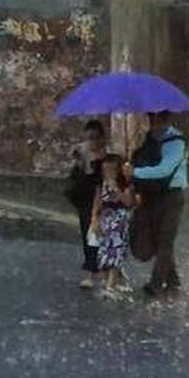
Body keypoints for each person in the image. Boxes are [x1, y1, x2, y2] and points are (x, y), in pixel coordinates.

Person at [128, 111, 188, 298]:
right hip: (151, 195)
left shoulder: (176, 141)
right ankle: (173, 280)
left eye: (158, 120)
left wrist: (136, 172)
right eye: (151, 119)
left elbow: (165, 170)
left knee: (165, 239)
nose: (155, 123)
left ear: (167, 119)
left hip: (172, 196)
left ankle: (155, 284)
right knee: (154, 240)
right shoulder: (150, 139)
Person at [67, 119, 108, 289]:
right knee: (88, 233)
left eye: (95, 138)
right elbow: (76, 176)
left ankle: (109, 271)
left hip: (105, 197)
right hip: (85, 196)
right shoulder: (81, 151)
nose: (91, 142)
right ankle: (91, 270)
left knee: (107, 235)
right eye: (88, 137)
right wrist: (78, 162)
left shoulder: (108, 153)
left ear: (101, 138)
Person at [91, 154, 137, 299]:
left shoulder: (126, 185)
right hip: (106, 220)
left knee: (115, 252)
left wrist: (116, 188)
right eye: (105, 170)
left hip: (120, 221)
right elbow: (97, 203)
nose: (108, 174)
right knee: (104, 252)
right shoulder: (101, 185)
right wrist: (94, 220)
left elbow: (129, 203)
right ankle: (115, 281)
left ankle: (110, 286)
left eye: (111, 170)